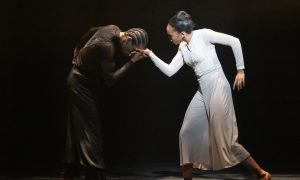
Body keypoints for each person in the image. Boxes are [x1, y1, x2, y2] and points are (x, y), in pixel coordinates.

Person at [139, 11, 271, 180]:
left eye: (170, 35)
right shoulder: (182, 47)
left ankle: (260, 173)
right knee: (186, 132)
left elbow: (234, 41)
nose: (169, 38)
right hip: (203, 89)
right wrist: (150, 54)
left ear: (182, 33)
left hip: (217, 86)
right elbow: (170, 71)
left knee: (226, 140)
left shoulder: (204, 35)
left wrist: (240, 69)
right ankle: (187, 177)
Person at [63, 25, 148, 180]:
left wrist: (77, 48)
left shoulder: (113, 28)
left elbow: (90, 30)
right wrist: (132, 62)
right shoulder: (108, 47)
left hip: (84, 80)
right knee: (91, 129)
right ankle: (95, 172)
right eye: (133, 49)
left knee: (79, 126)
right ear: (128, 39)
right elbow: (110, 80)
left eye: (134, 53)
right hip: (80, 83)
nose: (131, 53)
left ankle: (72, 170)